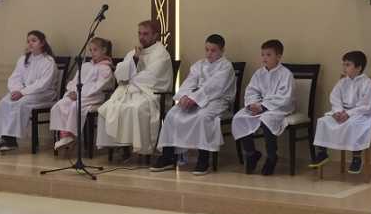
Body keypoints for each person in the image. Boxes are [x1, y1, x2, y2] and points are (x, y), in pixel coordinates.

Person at [151, 34, 236, 175]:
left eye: (213, 50)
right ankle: (168, 156)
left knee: (203, 117)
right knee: (172, 114)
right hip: (194, 99)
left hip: (217, 101)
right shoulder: (199, 65)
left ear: (222, 50)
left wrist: (195, 99)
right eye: (207, 49)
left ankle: (203, 159)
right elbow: (189, 82)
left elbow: (214, 87)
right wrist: (184, 97)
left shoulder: (226, 67)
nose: (209, 53)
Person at [96, 20, 173, 156]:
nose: (141, 37)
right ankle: (121, 146)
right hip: (130, 91)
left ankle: (139, 148)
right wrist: (135, 59)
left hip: (151, 95)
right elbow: (119, 73)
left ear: (155, 35)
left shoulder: (161, 54)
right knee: (109, 107)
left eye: (145, 34)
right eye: (139, 33)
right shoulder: (134, 52)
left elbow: (152, 78)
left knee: (135, 108)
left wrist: (130, 78)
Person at [0, 30, 58, 152]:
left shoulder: (48, 61)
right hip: (23, 91)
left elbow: (42, 84)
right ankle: (4, 138)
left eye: (34, 40)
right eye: (28, 41)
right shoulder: (24, 59)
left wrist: (23, 93)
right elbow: (15, 77)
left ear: (42, 43)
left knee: (21, 103)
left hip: (44, 94)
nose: (30, 43)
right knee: (5, 101)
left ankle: (9, 140)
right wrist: (16, 90)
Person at [231, 40, 294, 176]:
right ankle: (251, 153)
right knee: (239, 117)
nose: (264, 58)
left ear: (278, 56)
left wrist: (264, 107)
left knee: (267, 120)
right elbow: (251, 91)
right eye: (263, 55)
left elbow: (284, 97)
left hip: (278, 108)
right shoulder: (259, 73)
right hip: (259, 106)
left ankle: (272, 156)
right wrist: (253, 104)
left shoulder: (285, 74)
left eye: (268, 55)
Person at [309, 51, 371, 174]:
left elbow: (367, 105)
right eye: (343, 64)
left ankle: (356, 158)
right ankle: (322, 153)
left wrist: (349, 114)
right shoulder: (342, 82)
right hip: (342, 113)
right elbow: (334, 98)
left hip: (361, 114)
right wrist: (338, 112)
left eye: (348, 65)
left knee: (353, 125)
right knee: (323, 121)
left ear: (359, 67)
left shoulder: (367, 83)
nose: (344, 68)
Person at [50, 37, 115, 150]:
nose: (92, 53)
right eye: (90, 50)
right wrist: (71, 92)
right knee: (60, 104)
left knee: (76, 106)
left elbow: (98, 86)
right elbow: (75, 81)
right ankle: (63, 135)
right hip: (77, 94)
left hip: (93, 97)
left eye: (95, 50)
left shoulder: (105, 68)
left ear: (104, 50)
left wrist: (79, 94)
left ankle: (70, 135)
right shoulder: (85, 66)